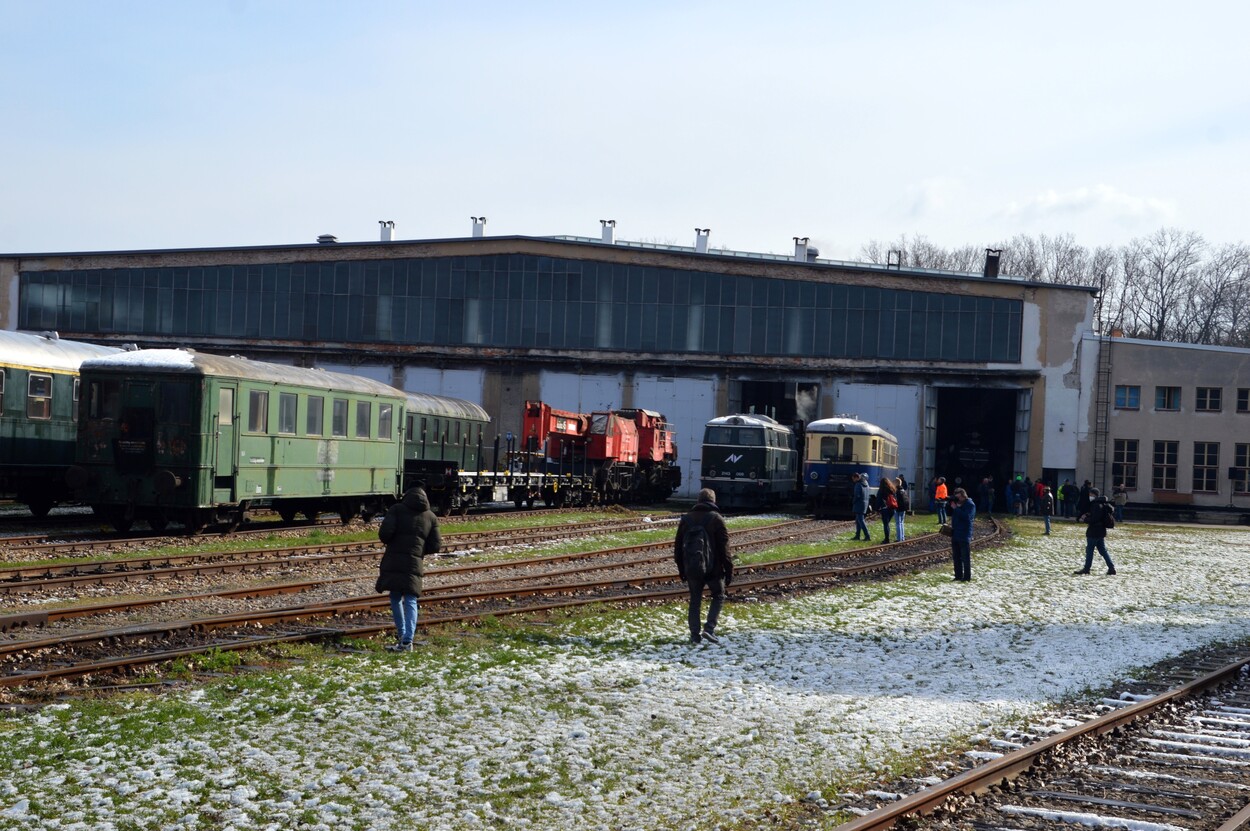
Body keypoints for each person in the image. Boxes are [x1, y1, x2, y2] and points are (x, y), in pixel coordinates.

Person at [376, 486, 441, 651]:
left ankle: (402, 635)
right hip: (414, 563)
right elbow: (436, 545)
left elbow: (384, 534)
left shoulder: (396, 510)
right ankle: (407, 641)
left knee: (395, 597)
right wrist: (418, 551)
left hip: (394, 560)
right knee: (411, 599)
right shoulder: (431, 517)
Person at [674, 488, 732, 644]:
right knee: (718, 595)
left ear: (698, 501)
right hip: (714, 569)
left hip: (693, 567)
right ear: (713, 501)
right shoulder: (717, 519)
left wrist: (682, 569)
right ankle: (709, 629)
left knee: (695, 600)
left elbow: (678, 548)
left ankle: (694, 635)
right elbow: (724, 548)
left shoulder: (686, 520)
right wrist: (729, 570)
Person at [1074, 487, 1116, 576]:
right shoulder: (1102, 504)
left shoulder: (1096, 504)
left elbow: (1095, 519)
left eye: (1091, 494)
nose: (1090, 496)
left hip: (1094, 531)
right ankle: (1111, 568)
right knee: (1103, 550)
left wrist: (1085, 519)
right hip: (1100, 531)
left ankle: (1086, 568)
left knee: (1089, 550)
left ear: (1095, 495)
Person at [948, 487, 976, 581]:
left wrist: (956, 509)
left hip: (964, 533)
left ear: (963, 496)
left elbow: (967, 517)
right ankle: (958, 576)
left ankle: (967, 577)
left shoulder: (970, 505)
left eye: (959, 497)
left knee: (965, 557)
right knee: (956, 557)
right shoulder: (958, 505)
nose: (957, 499)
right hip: (956, 533)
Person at [851, 472, 872, 541]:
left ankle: (867, 535)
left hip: (859, 504)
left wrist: (853, 501)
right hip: (865, 503)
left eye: (853, 479)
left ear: (856, 478)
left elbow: (857, 495)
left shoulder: (858, 484)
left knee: (860, 520)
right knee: (858, 520)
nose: (853, 480)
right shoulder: (866, 484)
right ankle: (857, 535)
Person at [877, 477, 897, 542]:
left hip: (885, 508)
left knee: (886, 524)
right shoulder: (892, 489)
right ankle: (887, 538)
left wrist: (876, 508)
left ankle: (887, 539)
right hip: (892, 509)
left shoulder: (881, 490)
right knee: (887, 524)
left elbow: (878, 500)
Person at [893, 477, 909, 541]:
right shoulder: (903, 490)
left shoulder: (897, 492)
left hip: (898, 509)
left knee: (898, 523)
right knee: (901, 523)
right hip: (903, 509)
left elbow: (895, 500)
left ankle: (899, 538)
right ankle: (902, 537)